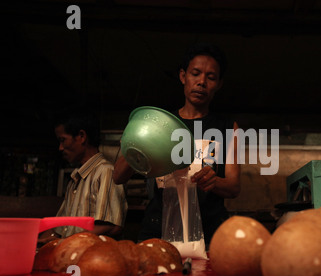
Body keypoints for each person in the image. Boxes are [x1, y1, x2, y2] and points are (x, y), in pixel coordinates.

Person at [113, 42, 241, 244]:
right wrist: (138, 142)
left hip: (208, 233)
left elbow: (233, 187)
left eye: (211, 77)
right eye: (195, 73)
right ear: (183, 76)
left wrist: (213, 180)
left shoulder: (228, 127)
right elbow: (118, 176)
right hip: (158, 229)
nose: (201, 82)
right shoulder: (158, 123)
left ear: (219, 84)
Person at [38, 110, 128, 244]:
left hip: (93, 258)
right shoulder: (75, 180)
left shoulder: (105, 172)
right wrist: (38, 242)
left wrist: (66, 243)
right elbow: (59, 228)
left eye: (63, 140)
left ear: (81, 136)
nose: (60, 148)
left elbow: (110, 226)